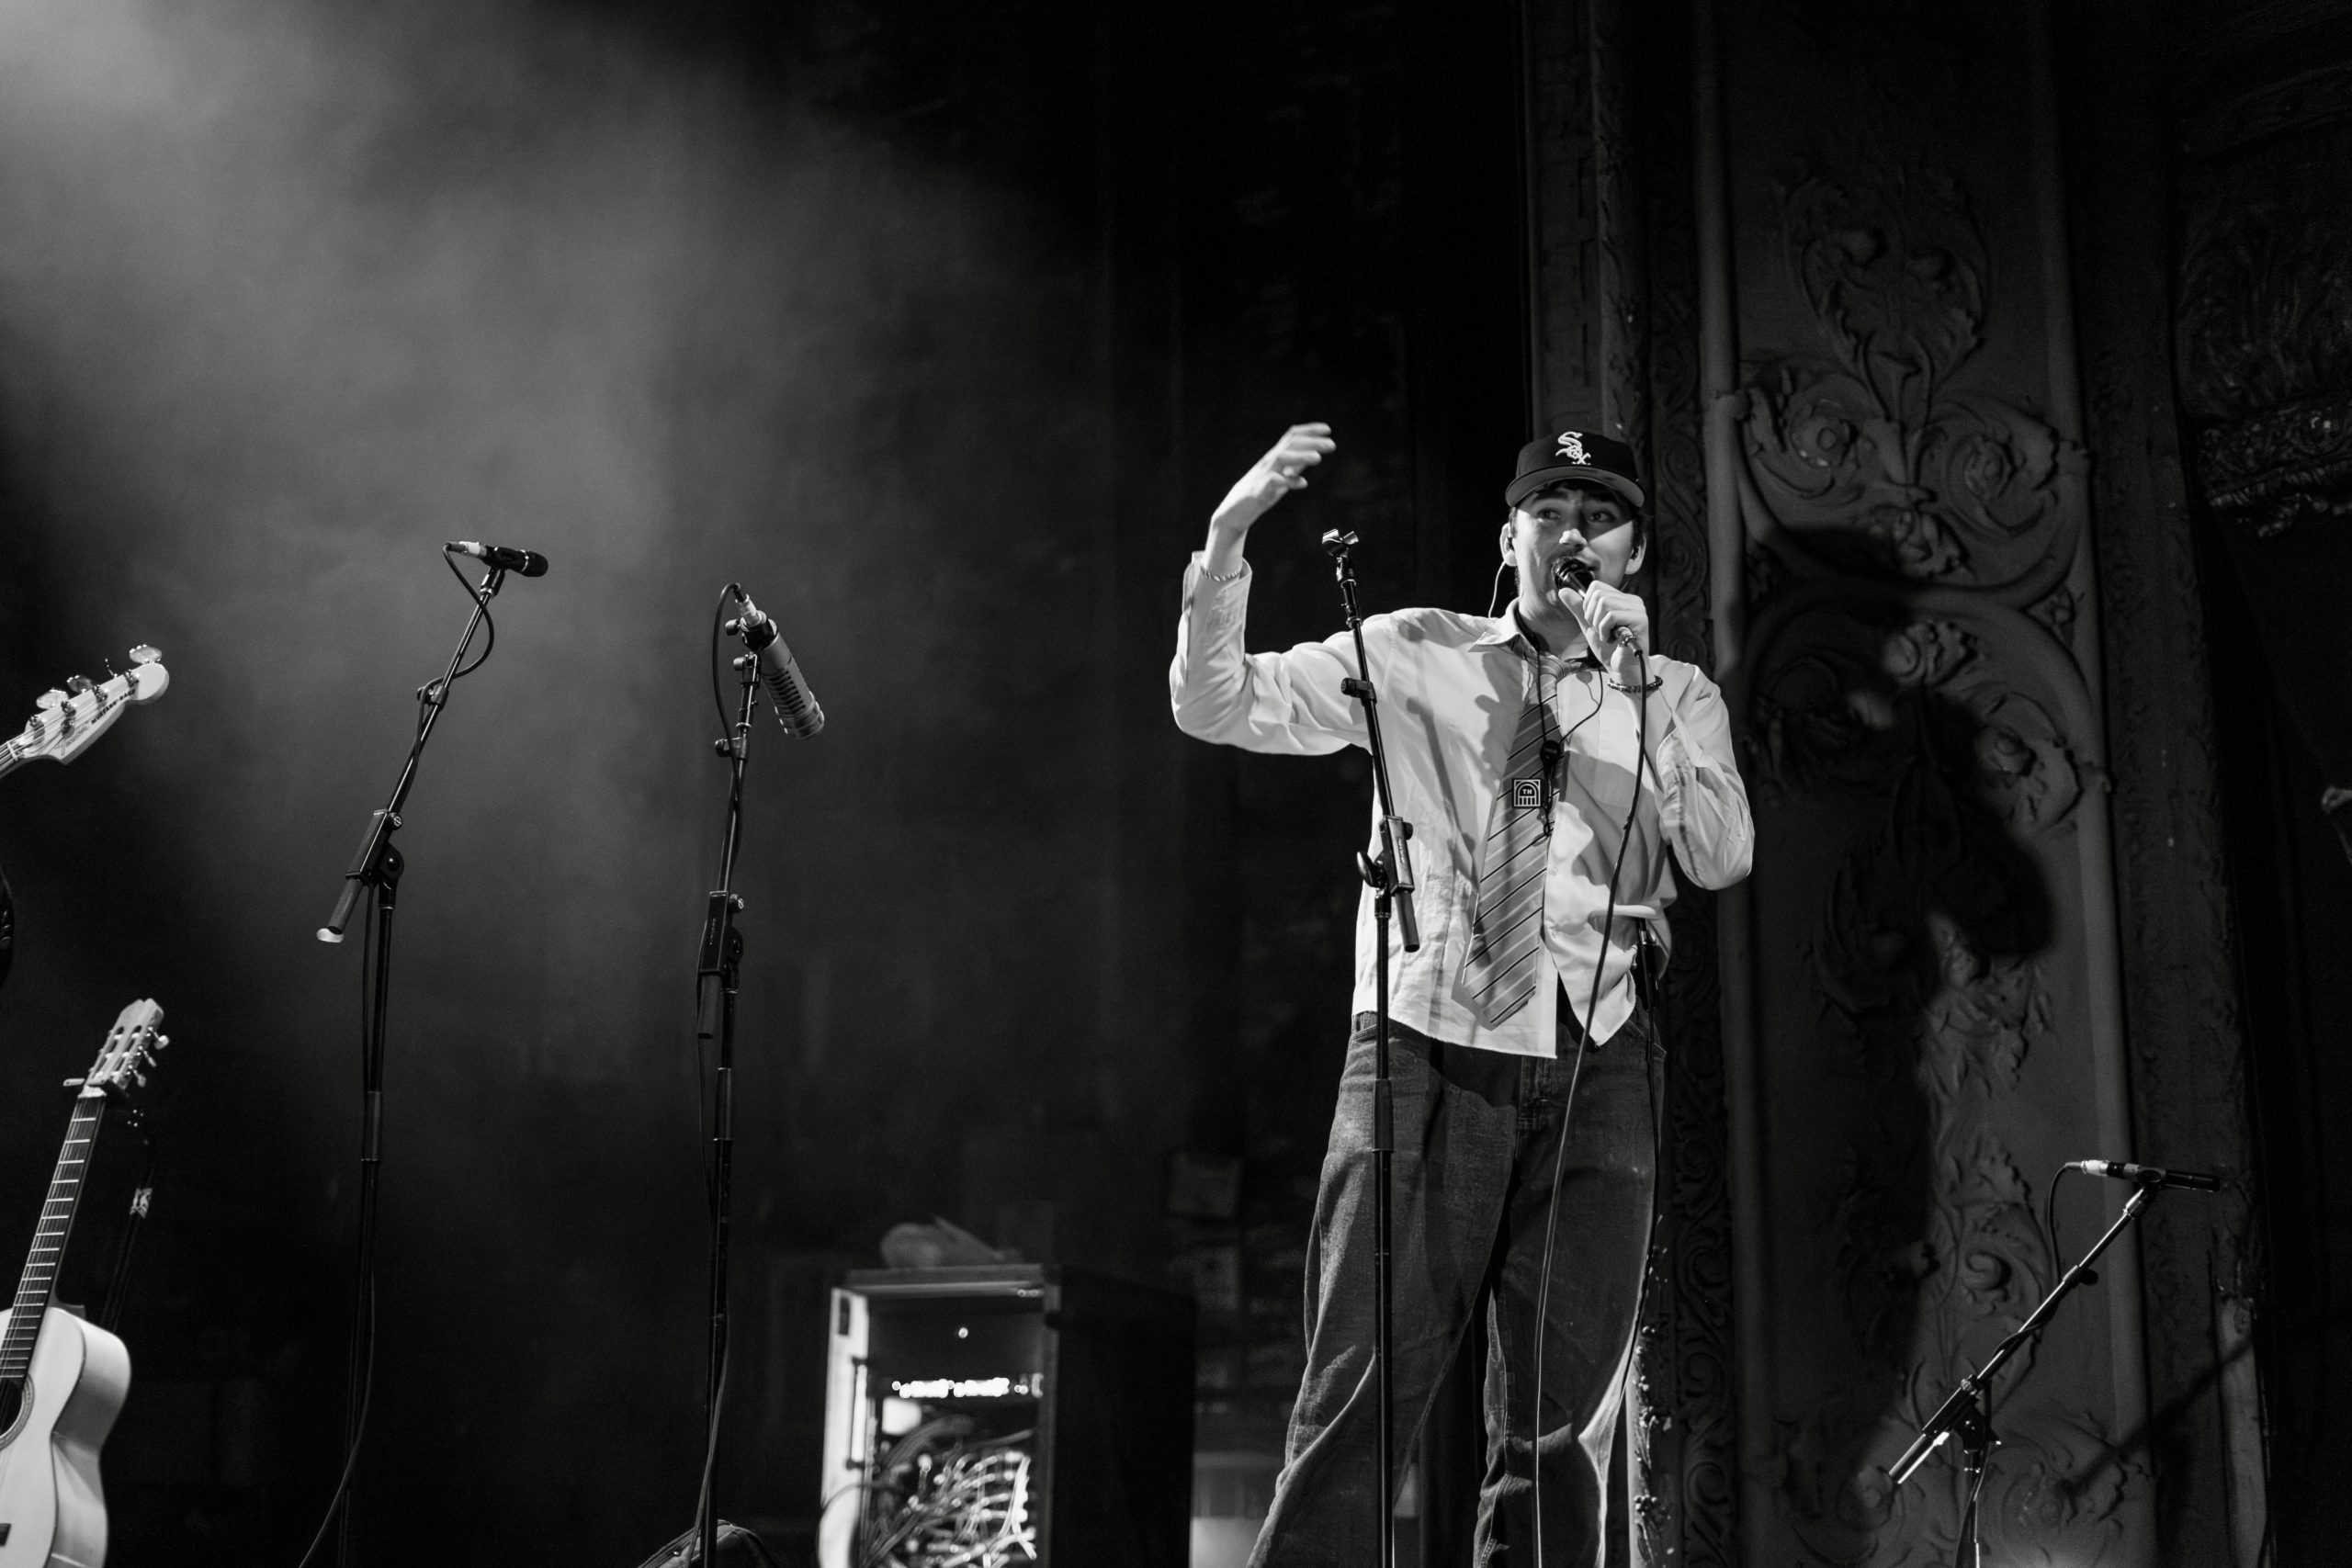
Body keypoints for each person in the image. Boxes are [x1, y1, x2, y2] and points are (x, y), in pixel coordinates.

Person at [1170, 423, 1752, 1565]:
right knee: (1359, 1398)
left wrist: (1631, 690)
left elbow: (1721, 855)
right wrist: (1226, 539)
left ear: (1631, 554)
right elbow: (1218, 704)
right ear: (1510, 535)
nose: (1572, 535)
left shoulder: (1677, 693)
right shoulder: (1410, 653)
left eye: (1599, 517)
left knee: (1557, 1430)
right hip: (1427, 1044)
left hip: (1601, 1055)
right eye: (1550, 512)